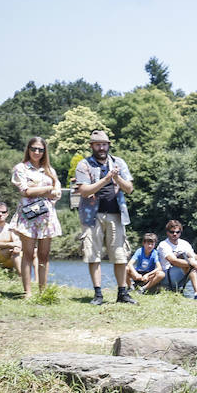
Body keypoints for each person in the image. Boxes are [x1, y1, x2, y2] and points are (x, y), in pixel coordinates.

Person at [74, 130, 136, 305]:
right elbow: (84, 191)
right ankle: (98, 294)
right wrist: (106, 179)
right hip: (92, 216)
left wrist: (117, 177)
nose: (101, 148)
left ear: (108, 145)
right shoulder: (84, 165)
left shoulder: (119, 162)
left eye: (104, 144)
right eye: (97, 144)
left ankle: (122, 293)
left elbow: (129, 188)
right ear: (92, 146)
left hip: (117, 215)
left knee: (120, 255)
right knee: (93, 255)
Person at [10, 136, 63, 300]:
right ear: (28, 149)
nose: (37, 152)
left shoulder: (49, 170)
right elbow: (25, 191)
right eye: (34, 149)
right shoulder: (21, 168)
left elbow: (57, 193)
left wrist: (39, 189)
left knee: (44, 254)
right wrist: (47, 189)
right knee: (28, 254)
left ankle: (43, 291)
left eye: (40, 149)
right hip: (28, 215)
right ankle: (28, 292)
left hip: (46, 217)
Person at [159, 219, 197, 300]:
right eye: (172, 232)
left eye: (177, 232)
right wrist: (191, 263)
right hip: (166, 275)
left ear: (180, 232)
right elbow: (173, 261)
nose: (175, 234)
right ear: (167, 232)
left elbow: (194, 255)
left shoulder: (184, 243)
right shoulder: (163, 245)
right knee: (190, 264)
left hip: (181, 273)